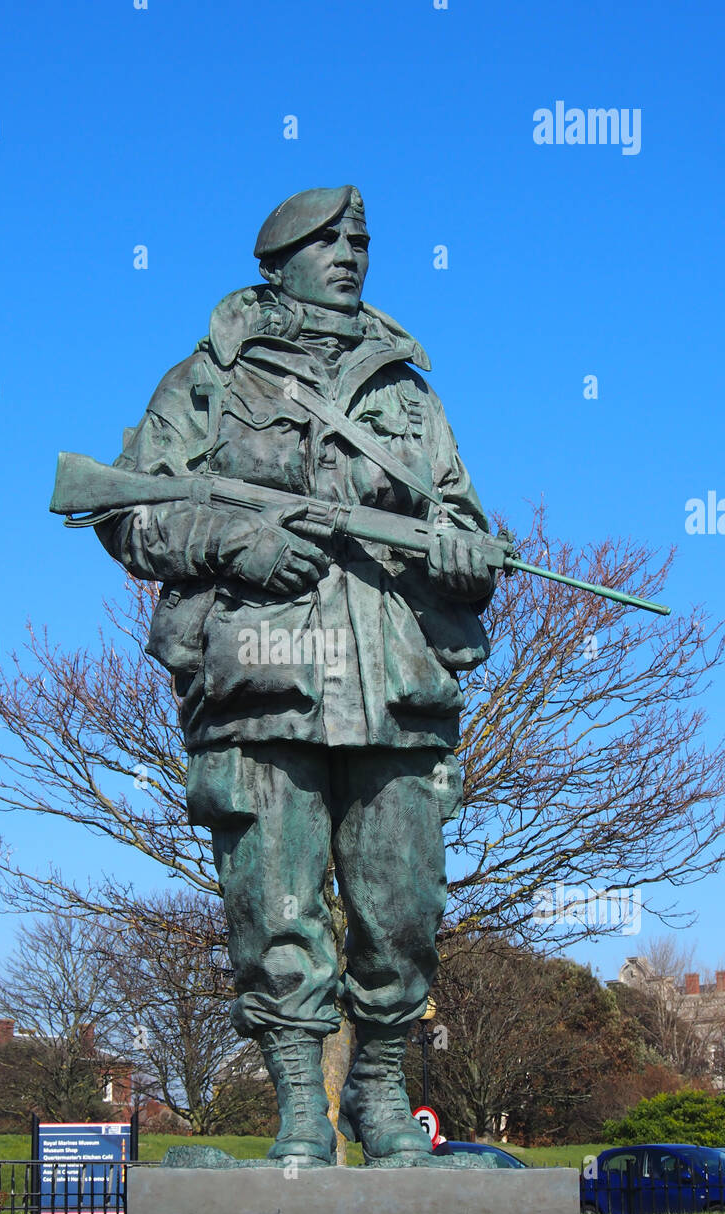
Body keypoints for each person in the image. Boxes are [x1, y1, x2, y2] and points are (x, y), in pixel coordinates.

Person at [95, 186, 497, 1164]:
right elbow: (126, 514)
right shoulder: (207, 382)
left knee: (404, 910)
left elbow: (464, 518)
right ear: (278, 260)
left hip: (394, 681)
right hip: (264, 680)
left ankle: (376, 1086)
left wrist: (464, 554)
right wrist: (236, 543)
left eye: (361, 240)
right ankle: (298, 1108)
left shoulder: (409, 392)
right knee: (273, 908)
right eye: (328, 241)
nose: (350, 255)